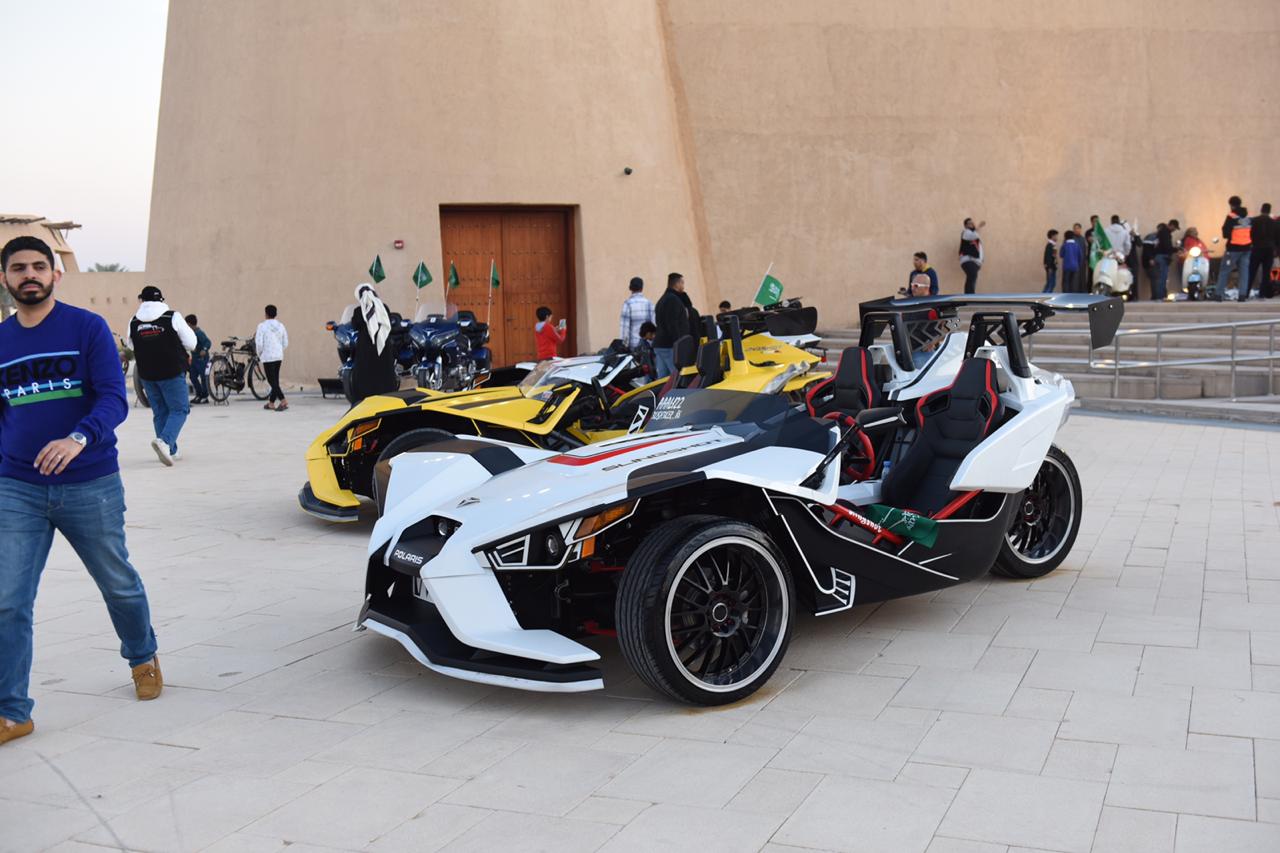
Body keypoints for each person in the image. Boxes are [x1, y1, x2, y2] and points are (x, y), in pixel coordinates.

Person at [0, 236, 163, 747]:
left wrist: (78, 437)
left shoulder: (86, 328)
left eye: (39, 266)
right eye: (19, 268)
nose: (30, 275)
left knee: (118, 583)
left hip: (90, 482)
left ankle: (142, 655)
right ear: (5, 278)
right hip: (17, 487)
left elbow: (114, 398)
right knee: (7, 601)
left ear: (55, 274)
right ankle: (12, 712)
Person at [130, 285, 195, 466]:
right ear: (161, 299)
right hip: (171, 371)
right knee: (180, 409)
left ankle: (171, 451)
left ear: (142, 300)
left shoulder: (133, 321)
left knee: (160, 412)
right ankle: (165, 442)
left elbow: (131, 345)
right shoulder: (172, 316)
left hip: (147, 374)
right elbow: (191, 343)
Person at [350, 283, 399, 403]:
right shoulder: (383, 307)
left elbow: (354, 325)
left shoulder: (358, 311)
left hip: (365, 348)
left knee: (365, 374)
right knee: (384, 372)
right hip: (382, 347)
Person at [654, 272, 696, 379]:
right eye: (682, 283)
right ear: (677, 284)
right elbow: (672, 324)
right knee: (677, 378)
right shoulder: (673, 300)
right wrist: (679, 344)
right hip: (670, 346)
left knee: (663, 379)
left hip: (661, 344)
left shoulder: (662, 299)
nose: (683, 286)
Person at [255, 304, 289, 411]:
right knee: (275, 380)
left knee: (272, 381)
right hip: (278, 356)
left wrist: (260, 353)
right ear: (276, 314)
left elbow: (259, 343)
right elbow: (285, 342)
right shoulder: (281, 326)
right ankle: (271, 403)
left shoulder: (262, 326)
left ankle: (283, 401)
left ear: (266, 314)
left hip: (268, 356)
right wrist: (279, 350)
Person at [1217, 198, 1253, 302]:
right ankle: (1242, 295)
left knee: (1224, 271)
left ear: (1231, 205)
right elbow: (1253, 232)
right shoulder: (1249, 217)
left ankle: (1218, 294)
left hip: (1233, 249)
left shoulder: (1231, 216)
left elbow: (1225, 233)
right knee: (1244, 272)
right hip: (1246, 249)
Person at [618, 276, 654, 349]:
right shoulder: (649, 303)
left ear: (630, 288)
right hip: (647, 346)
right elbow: (654, 324)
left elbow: (624, 328)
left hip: (633, 347)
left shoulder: (628, 304)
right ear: (642, 288)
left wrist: (624, 346)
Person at [1248, 203, 1274, 300]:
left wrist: (1251, 243)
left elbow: (1249, 234)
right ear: (1269, 211)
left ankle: (1245, 293)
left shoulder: (1254, 220)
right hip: (1269, 250)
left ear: (1261, 209)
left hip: (1256, 248)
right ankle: (1262, 294)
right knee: (1266, 273)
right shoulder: (1273, 222)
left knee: (1251, 271)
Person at [186, 314, 211, 404]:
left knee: (203, 377)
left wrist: (204, 349)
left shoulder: (199, 333)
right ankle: (199, 394)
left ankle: (205, 396)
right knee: (192, 376)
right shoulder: (191, 334)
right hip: (195, 359)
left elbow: (208, 342)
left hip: (202, 359)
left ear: (189, 324)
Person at [958, 218, 984, 294]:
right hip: (968, 260)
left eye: (973, 223)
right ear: (966, 226)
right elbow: (973, 236)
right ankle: (969, 295)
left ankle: (970, 294)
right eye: (970, 223)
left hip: (975, 262)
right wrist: (978, 227)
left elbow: (979, 249)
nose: (972, 224)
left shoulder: (974, 234)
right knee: (972, 276)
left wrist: (981, 260)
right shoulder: (966, 232)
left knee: (972, 277)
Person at [1150, 222, 1174, 301]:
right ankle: (1161, 296)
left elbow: (1155, 247)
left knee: (1159, 277)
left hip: (1157, 257)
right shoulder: (1165, 233)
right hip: (1163, 257)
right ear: (1171, 225)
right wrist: (1175, 249)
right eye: (1174, 228)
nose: (1174, 230)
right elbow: (1167, 246)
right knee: (1162, 277)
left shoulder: (1157, 235)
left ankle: (1158, 295)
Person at [1061, 226, 1084, 294]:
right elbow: (1080, 256)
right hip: (1075, 266)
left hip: (1066, 266)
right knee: (1074, 282)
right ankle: (1073, 296)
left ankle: (1066, 295)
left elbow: (1061, 255)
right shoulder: (1077, 245)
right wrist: (1078, 264)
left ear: (1065, 237)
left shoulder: (1064, 245)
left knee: (1066, 282)